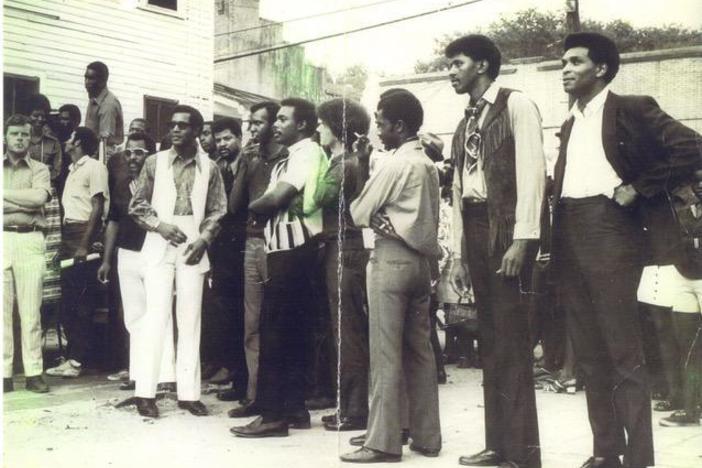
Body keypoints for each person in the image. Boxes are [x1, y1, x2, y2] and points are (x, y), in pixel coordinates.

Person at [552, 32, 701, 468]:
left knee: (622, 354)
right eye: (563, 61)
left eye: (575, 62)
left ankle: (638, 460)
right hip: (570, 235)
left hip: (611, 234)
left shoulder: (632, 108)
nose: (565, 69)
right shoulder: (570, 121)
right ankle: (605, 453)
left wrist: (639, 187)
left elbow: (692, 146)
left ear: (600, 69)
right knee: (590, 357)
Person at [446, 34, 545, 468]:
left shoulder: (516, 105)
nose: (451, 70)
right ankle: (497, 445)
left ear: (482, 65)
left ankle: (522, 453)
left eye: (458, 62)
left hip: (506, 231)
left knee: (511, 343)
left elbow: (533, 175)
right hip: (474, 227)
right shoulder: (466, 121)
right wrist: (459, 256)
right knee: (490, 343)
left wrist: (523, 240)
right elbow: (456, 192)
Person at [340, 89, 442, 463]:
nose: (378, 132)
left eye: (381, 124)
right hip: (420, 263)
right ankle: (426, 436)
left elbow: (359, 210)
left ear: (399, 126)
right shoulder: (426, 162)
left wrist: (378, 211)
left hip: (390, 260)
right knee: (420, 352)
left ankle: (382, 441)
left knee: (384, 354)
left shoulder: (395, 164)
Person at [229, 98, 325, 438]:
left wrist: (257, 209)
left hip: (293, 250)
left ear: (301, 125)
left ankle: (271, 416)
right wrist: (260, 207)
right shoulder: (289, 156)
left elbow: (273, 199)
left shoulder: (305, 154)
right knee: (292, 332)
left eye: (283, 119)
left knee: (275, 331)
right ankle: (294, 408)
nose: (276, 124)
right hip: (284, 248)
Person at [129, 104, 227, 417]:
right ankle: (145, 392)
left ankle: (188, 394)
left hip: (192, 244)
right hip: (159, 240)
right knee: (155, 318)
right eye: (172, 124)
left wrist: (204, 239)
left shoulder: (209, 167)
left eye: (183, 125)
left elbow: (217, 210)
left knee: (190, 319)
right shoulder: (154, 162)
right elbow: (137, 205)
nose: (175, 129)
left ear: (197, 131)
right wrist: (159, 225)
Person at [96, 132, 176, 406]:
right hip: (128, 254)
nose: (132, 158)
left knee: (159, 314)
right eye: (129, 152)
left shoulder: (162, 183)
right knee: (134, 317)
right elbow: (114, 222)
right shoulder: (120, 184)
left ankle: (166, 376)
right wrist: (108, 259)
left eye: (139, 152)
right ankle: (141, 376)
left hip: (155, 253)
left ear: (150, 154)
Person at [313, 98, 371, 432]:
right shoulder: (350, 161)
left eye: (323, 123)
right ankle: (351, 405)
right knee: (347, 328)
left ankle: (353, 409)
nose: (319, 129)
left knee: (345, 329)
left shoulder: (342, 164)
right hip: (345, 247)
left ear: (337, 127)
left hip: (342, 246)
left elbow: (318, 198)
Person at [227, 101, 287, 418]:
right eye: (250, 123)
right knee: (251, 324)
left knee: (273, 324)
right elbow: (235, 205)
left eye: (258, 123)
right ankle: (253, 396)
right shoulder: (251, 158)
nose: (252, 129)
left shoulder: (287, 157)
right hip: (252, 242)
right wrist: (243, 170)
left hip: (276, 243)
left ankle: (275, 399)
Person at [46, 127, 108, 378]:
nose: (66, 140)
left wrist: (85, 243)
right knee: (69, 300)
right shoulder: (72, 169)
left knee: (83, 302)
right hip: (68, 233)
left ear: (78, 142)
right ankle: (72, 357)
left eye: (69, 137)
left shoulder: (95, 167)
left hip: (84, 234)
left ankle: (76, 361)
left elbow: (98, 206)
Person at [3, 114, 52, 394]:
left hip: (30, 240)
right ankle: (4, 373)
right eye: (14, 134)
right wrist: (23, 206)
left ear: (30, 138)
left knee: (31, 311)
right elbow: (29, 203)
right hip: (2, 240)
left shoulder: (40, 169)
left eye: (24, 134)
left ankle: (34, 372)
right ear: (5, 137)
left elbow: (38, 199)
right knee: (1, 312)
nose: (20, 138)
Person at [202, 117, 248, 396]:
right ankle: (232, 371)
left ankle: (242, 379)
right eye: (218, 140)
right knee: (225, 313)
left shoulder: (246, 164)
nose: (222, 144)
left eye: (227, 139)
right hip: (221, 249)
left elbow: (232, 207)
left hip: (242, 246)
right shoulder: (218, 167)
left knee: (242, 314)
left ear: (239, 138)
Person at [84, 61, 124, 159]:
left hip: (103, 157)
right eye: (86, 77)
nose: (86, 82)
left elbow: (105, 143)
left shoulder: (108, 105)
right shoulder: (95, 98)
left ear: (102, 81)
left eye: (91, 78)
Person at [25, 94, 63, 184]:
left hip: (44, 186)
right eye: (36, 115)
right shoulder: (19, 138)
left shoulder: (53, 142)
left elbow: (57, 171)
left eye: (44, 116)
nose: (40, 119)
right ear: (27, 115)